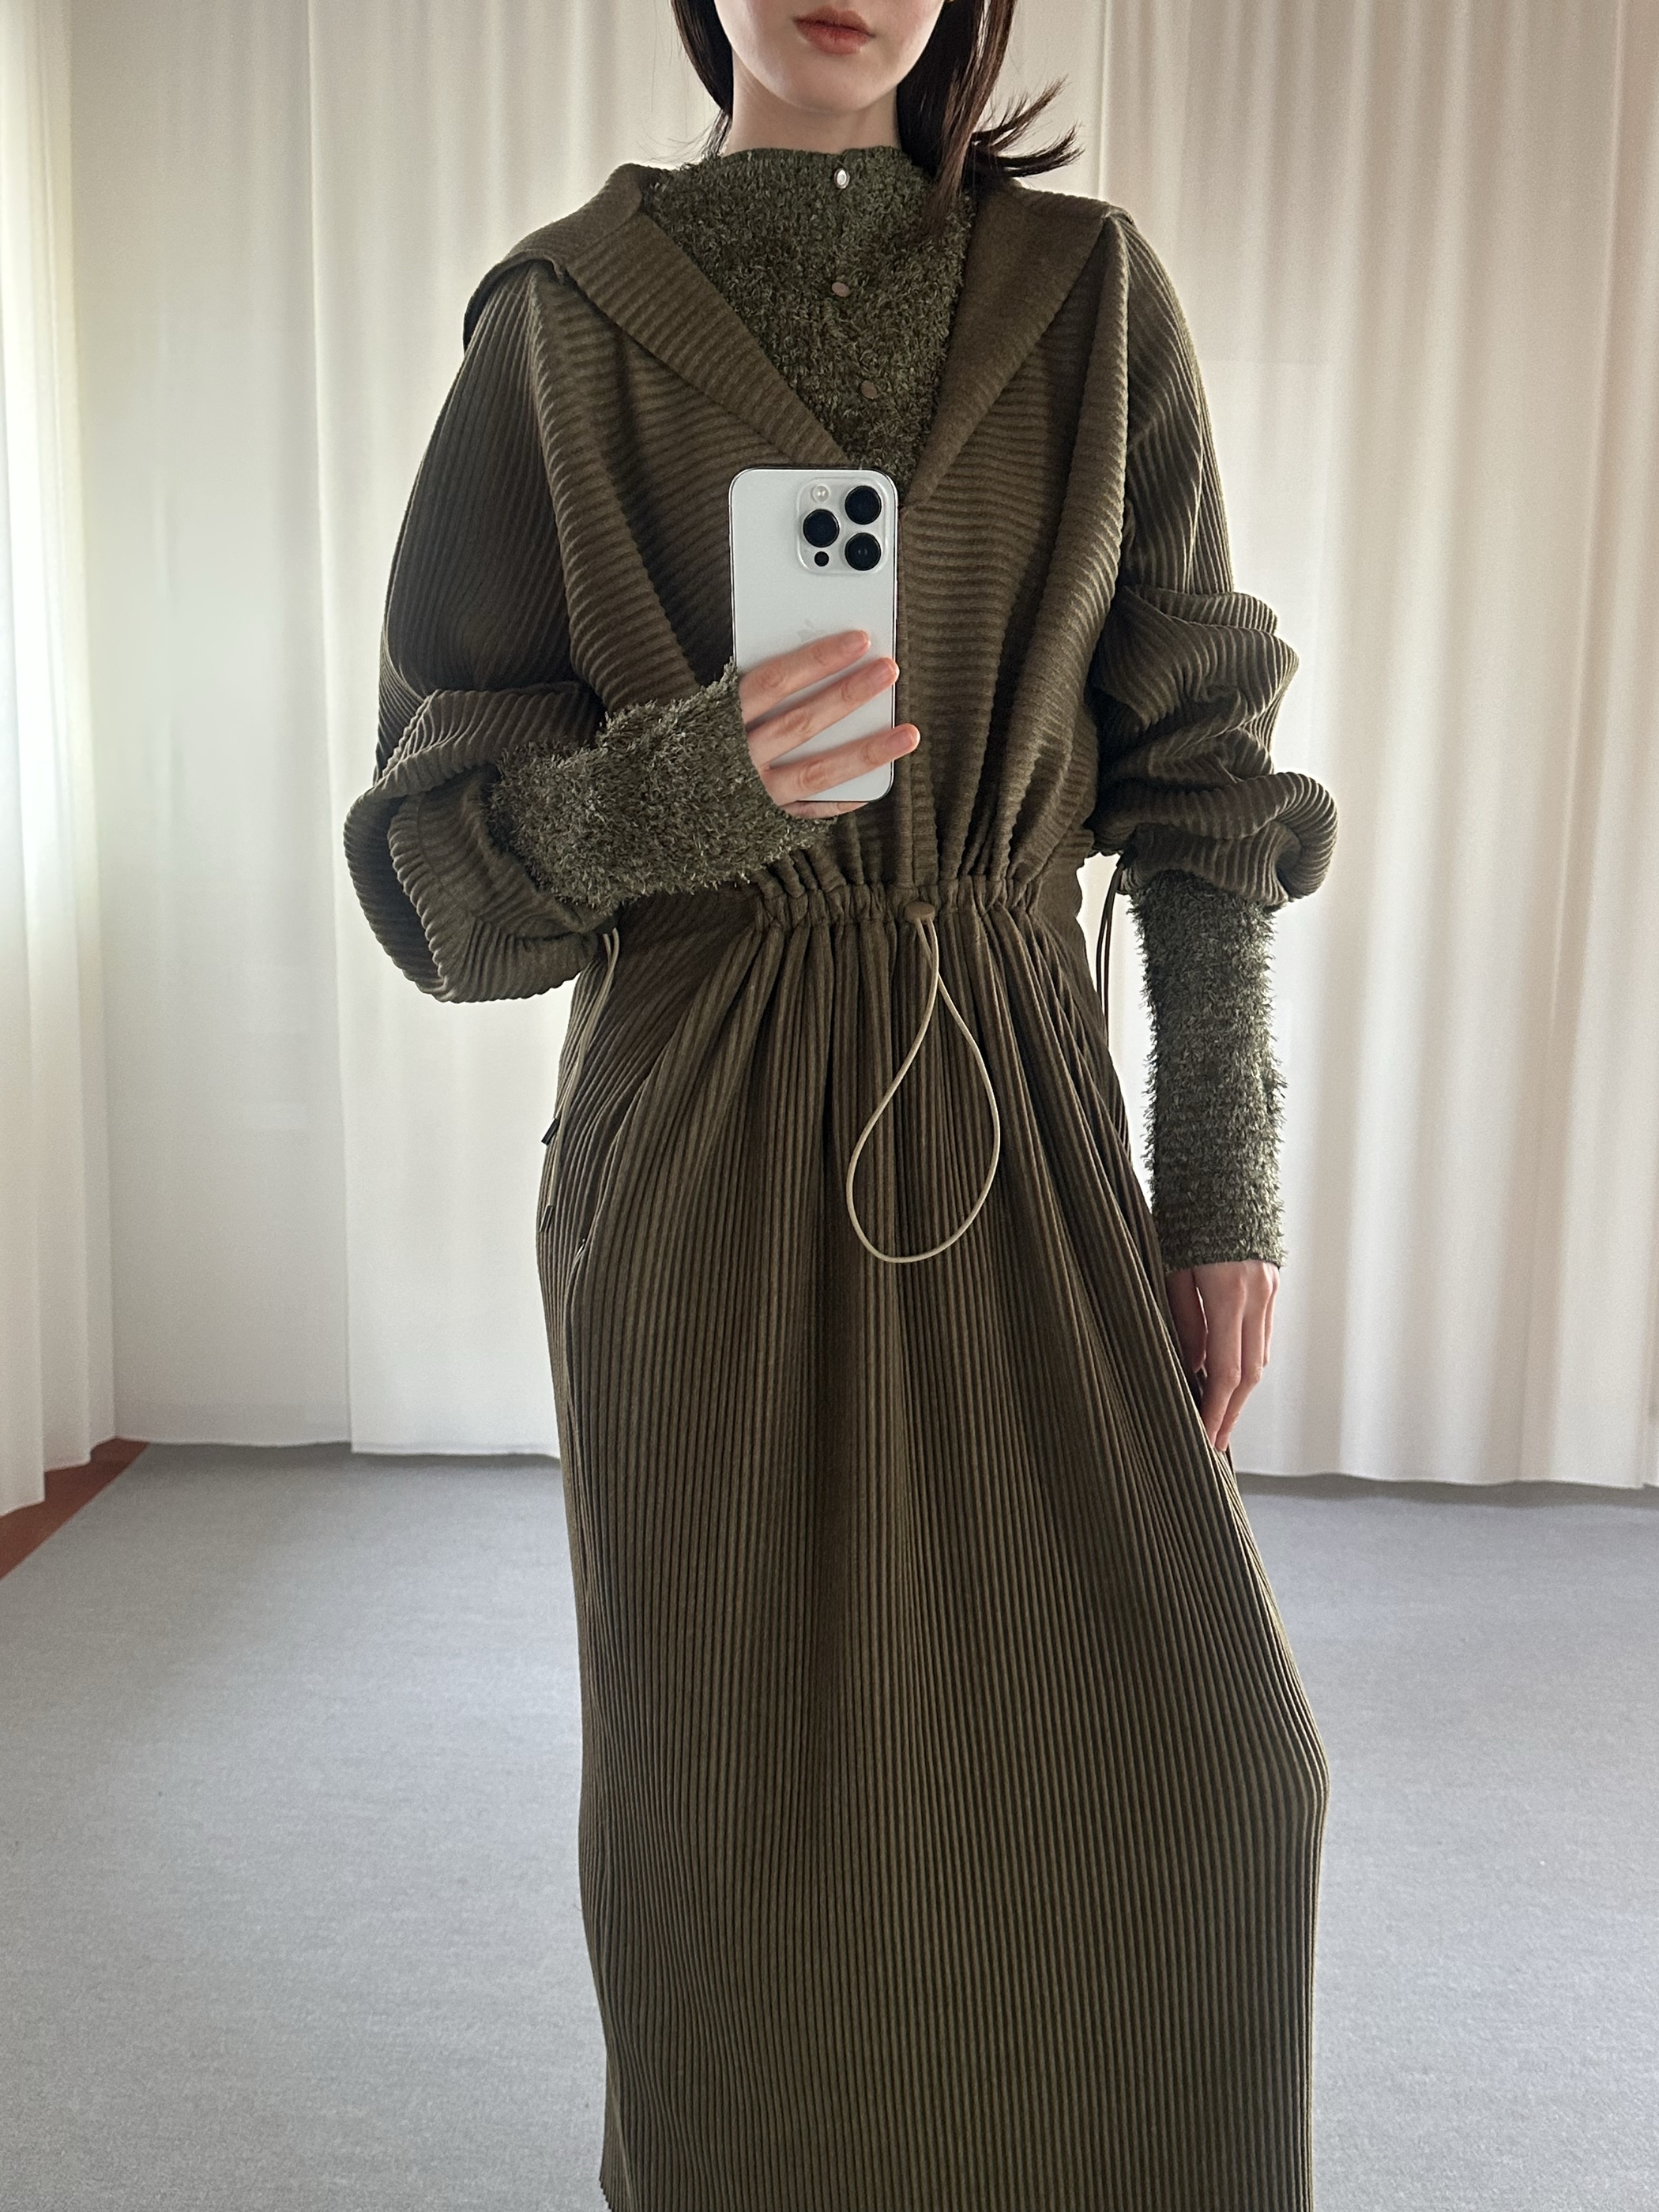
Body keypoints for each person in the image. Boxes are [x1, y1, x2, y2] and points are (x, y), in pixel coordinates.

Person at [343, 0, 1340, 2203]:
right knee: (754, 1864)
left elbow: (1198, 791)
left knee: (1215, 1790)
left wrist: (1221, 1185)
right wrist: (690, 789)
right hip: (702, 1140)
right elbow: (441, 876)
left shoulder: (1088, 299)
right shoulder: (561, 327)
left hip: (1023, 1119)